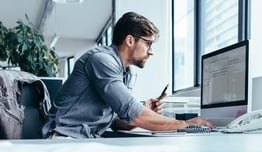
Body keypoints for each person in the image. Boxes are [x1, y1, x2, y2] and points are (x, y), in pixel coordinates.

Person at [42, 12, 214, 139]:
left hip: (85, 139)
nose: (151, 52)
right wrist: (186, 124)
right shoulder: (102, 60)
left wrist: (145, 110)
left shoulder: (127, 72)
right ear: (130, 40)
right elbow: (134, 114)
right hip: (63, 137)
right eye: (148, 43)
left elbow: (117, 122)